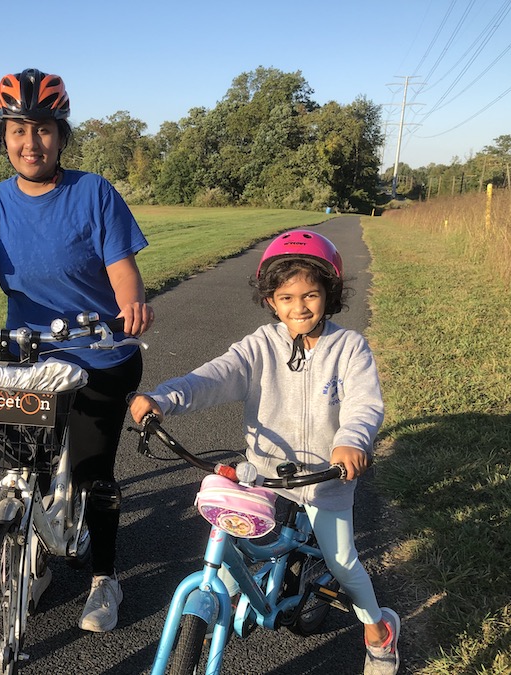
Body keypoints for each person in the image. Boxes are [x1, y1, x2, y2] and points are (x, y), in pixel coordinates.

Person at [0, 68, 154, 633]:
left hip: (99, 352)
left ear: (61, 135)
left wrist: (132, 305)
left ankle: (104, 578)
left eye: (44, 129)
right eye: (18, 130)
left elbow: (124, 270)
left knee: (95, 473)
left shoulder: (93, 192)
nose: (31, 143)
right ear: (2, 136)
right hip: (31, 358)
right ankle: (36, 553)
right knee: (20, 468)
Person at [129, 230, 401, 675]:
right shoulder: (260, 347)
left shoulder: (349, 348)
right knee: (238, 543)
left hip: (326, 478)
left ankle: (378, 631)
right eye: (287, 297)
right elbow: (214, 377)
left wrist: (351, 441)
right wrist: (164, 398)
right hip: (265, 474)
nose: (300, 307)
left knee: (341, 560)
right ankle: (239, 591)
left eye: (311, 295)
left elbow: (363, 404)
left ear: (329, 295)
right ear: (271, 301)